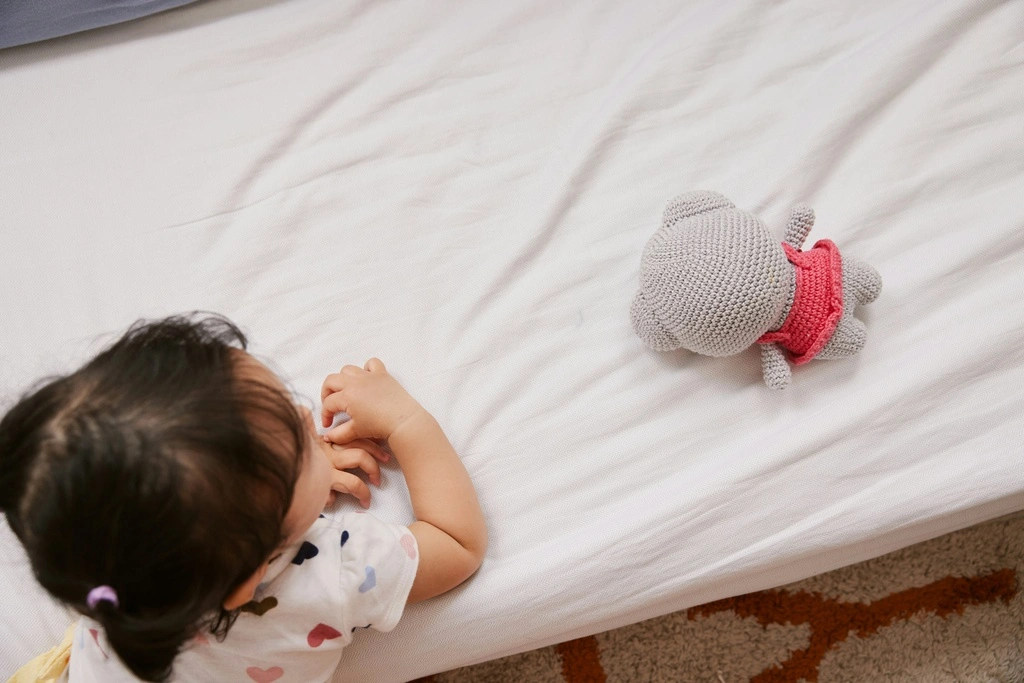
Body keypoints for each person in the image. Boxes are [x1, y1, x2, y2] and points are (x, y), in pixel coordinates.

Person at [0, 314, 487, 682]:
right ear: (248, 578)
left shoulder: (102, 571)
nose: (304, 412)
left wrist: (295, 474)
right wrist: (405, 421)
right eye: (296, 445)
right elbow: (457, 542)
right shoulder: (337, 568)